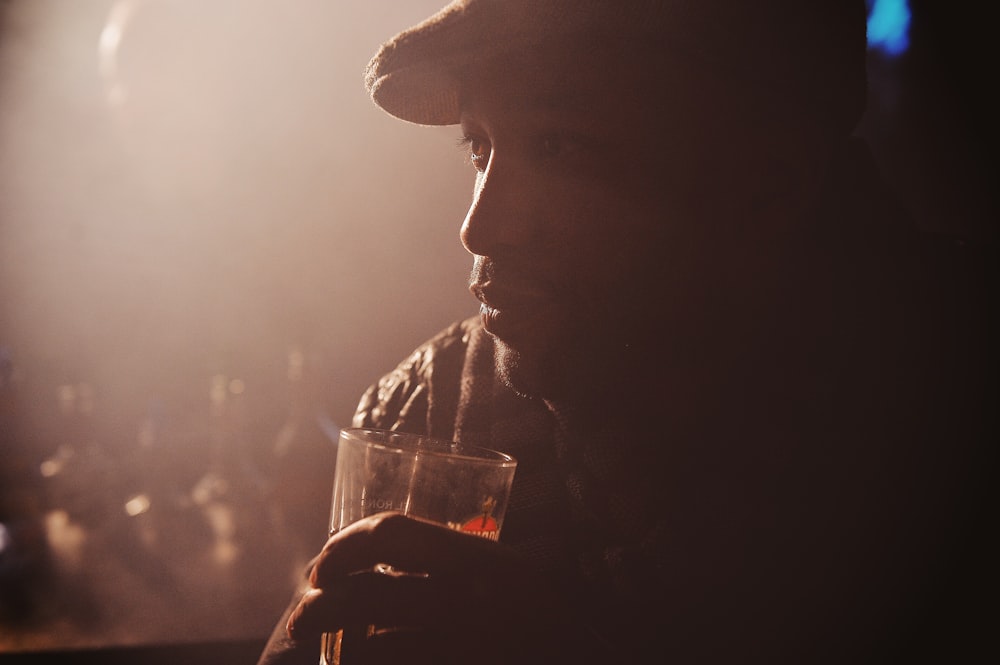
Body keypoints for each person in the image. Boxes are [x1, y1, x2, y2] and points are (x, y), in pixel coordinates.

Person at [257, 1, 994, 663]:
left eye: (560, 147)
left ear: (769, 188)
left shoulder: (952, 412)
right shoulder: (428, 412)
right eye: (479, 148)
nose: (480, 227)